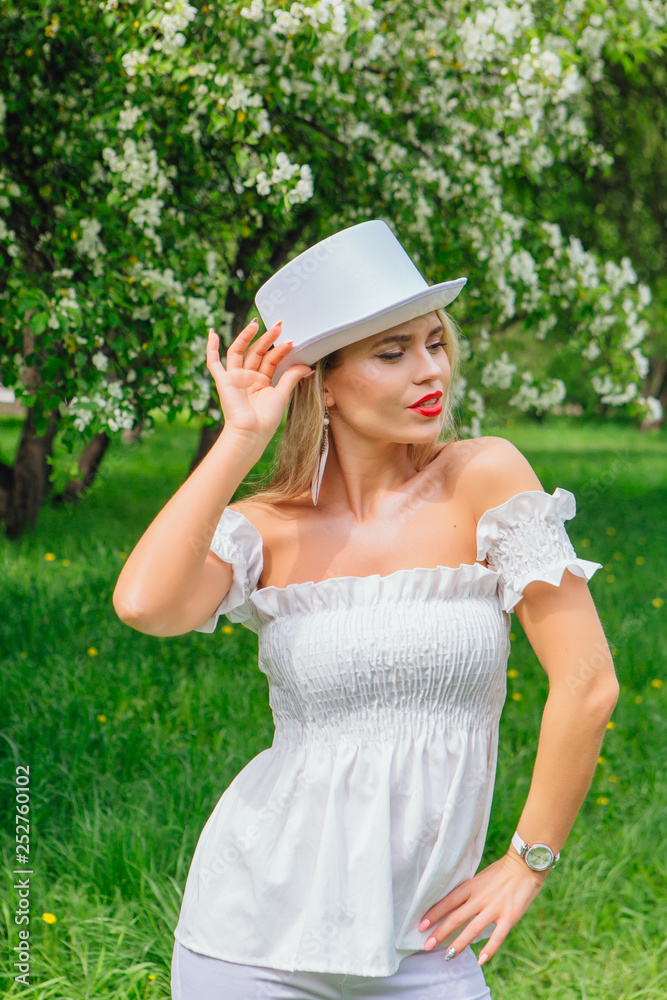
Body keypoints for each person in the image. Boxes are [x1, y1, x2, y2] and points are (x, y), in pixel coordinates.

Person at [113, 221, 620, 1000]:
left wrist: (528, 859)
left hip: (425, 945)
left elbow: (587, 683)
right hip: (250, 940)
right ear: (323, 381)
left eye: (433, 343)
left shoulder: (484, 476)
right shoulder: (268, 528)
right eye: (391, 352)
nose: (430, 372)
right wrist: (240, 438)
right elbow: (145, 605)